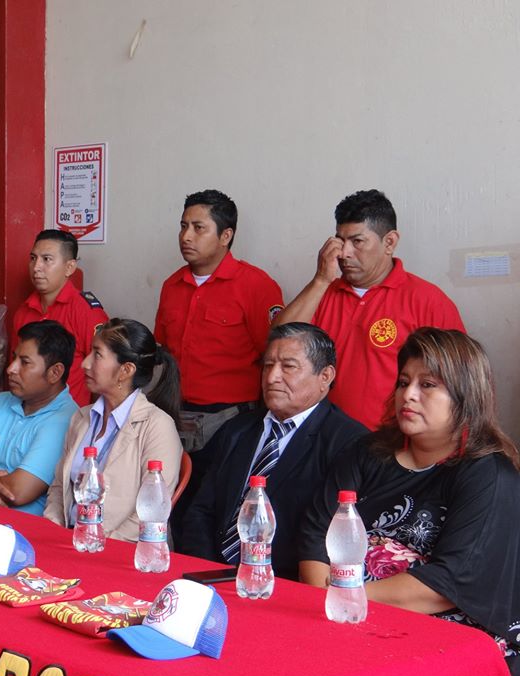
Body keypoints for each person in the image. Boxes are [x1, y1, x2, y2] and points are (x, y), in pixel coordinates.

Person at [299, 328, 520, 676]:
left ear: (465, 396)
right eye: (403, 382)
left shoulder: (488, 474)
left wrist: (343, 599)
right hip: (342, 617)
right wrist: (325, 604)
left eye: (427, 385)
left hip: (441, 636)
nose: (409, 394)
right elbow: (315, 532)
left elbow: (449, 581)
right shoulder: (367, 453)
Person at [176, 323, 367, 579]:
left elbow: (324, 537)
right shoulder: (238, 429)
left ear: (325, 376)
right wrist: (206, 570)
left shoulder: (348, 442)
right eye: (267, 365)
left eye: (288, 366)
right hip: (212, 572)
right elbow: (200, 510)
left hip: (285, 581)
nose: (272, 377)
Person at [273, 189, 464, 429]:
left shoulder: (428, 301)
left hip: (393, 441)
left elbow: (461, 384)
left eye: (357, 241)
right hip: (324, 437)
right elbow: (278, 345)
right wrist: (321, 280)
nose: (344, 253)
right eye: (340, 241)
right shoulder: (321, 293)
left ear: (389, 242)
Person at [154, 189, 284, 453]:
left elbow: (273, 354)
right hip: (176, 414)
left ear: (226, 236)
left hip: (231, 420)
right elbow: (164, 350)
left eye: (198, 228)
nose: (186, 236)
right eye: (183, 226)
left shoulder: (255, 285)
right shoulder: (172, 285)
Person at [44, 318, 182, 542]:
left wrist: (98, 546)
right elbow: (59, 487)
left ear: (126, 370)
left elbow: (151, 512)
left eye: (97, 354)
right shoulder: (81, 418)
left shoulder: (157, 426)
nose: (85, 363)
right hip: (71, 541)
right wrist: (53, 530)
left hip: (121, 550)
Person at [0, 320, 79, 515]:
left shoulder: (67, 420)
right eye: (14, 358)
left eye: (25, 362)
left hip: (24, 528)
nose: (11, 368)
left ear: (55, 372)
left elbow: (16, 492)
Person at [11, 229, 109, 406]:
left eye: (46, 259)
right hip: (26, 413)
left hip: (72, 416)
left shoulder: (86, 312)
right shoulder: (23, 312)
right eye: (33, 258)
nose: (36, 267)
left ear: (69, 267)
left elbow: (104, 374)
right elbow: (15, 366)